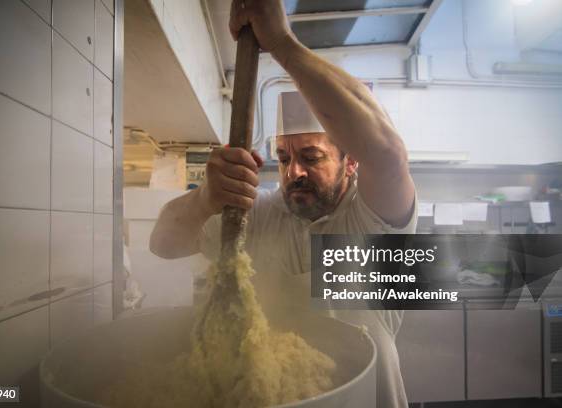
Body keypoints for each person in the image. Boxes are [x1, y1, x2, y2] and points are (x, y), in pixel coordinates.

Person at [150, 0, 417, 407]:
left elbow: (390, 156)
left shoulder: (371, 219)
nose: (294, 172)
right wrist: (206, 197)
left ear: (351, 161)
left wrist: (283, 45)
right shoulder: (256, 214)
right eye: (285, 158)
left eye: (312, 157)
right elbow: (162, 243)